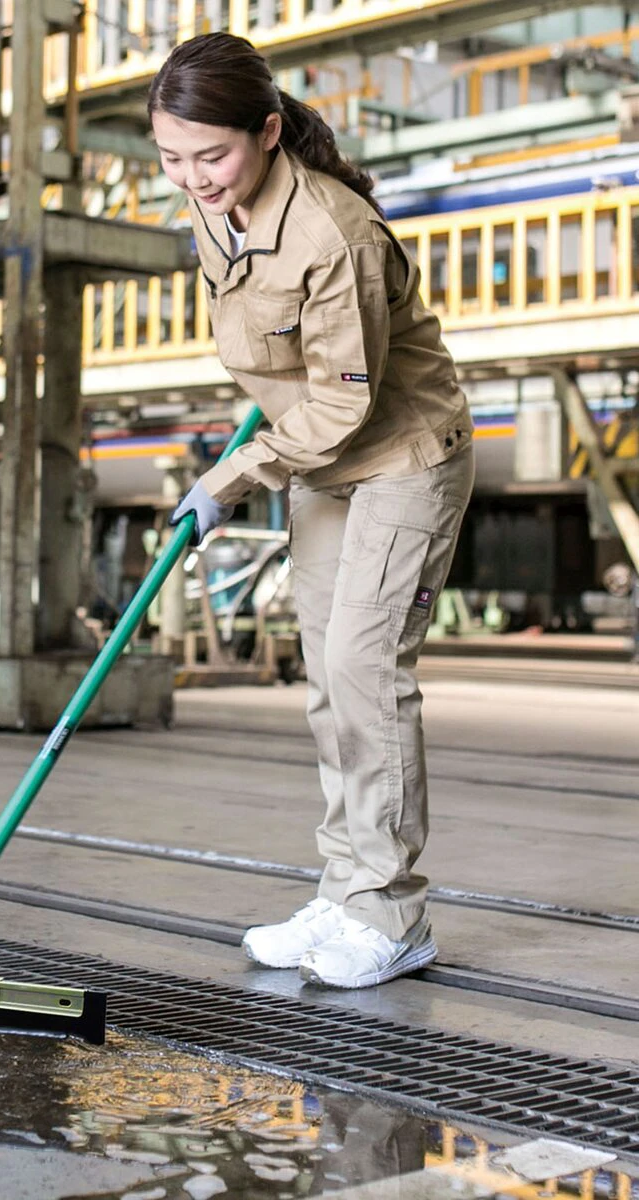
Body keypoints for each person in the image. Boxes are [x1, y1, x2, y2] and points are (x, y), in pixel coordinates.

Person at [150, 33, 475, 989]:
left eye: (212, 155)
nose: (193, 178)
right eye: (172, 158)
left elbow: (346, 400)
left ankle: (392, 913)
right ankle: (343, 893)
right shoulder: (218, 217)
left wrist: (233, 475)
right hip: (321, 465)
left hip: (401, 457)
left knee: (365, 670)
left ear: (269, 130)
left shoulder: (335, 232)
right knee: (328, 682)